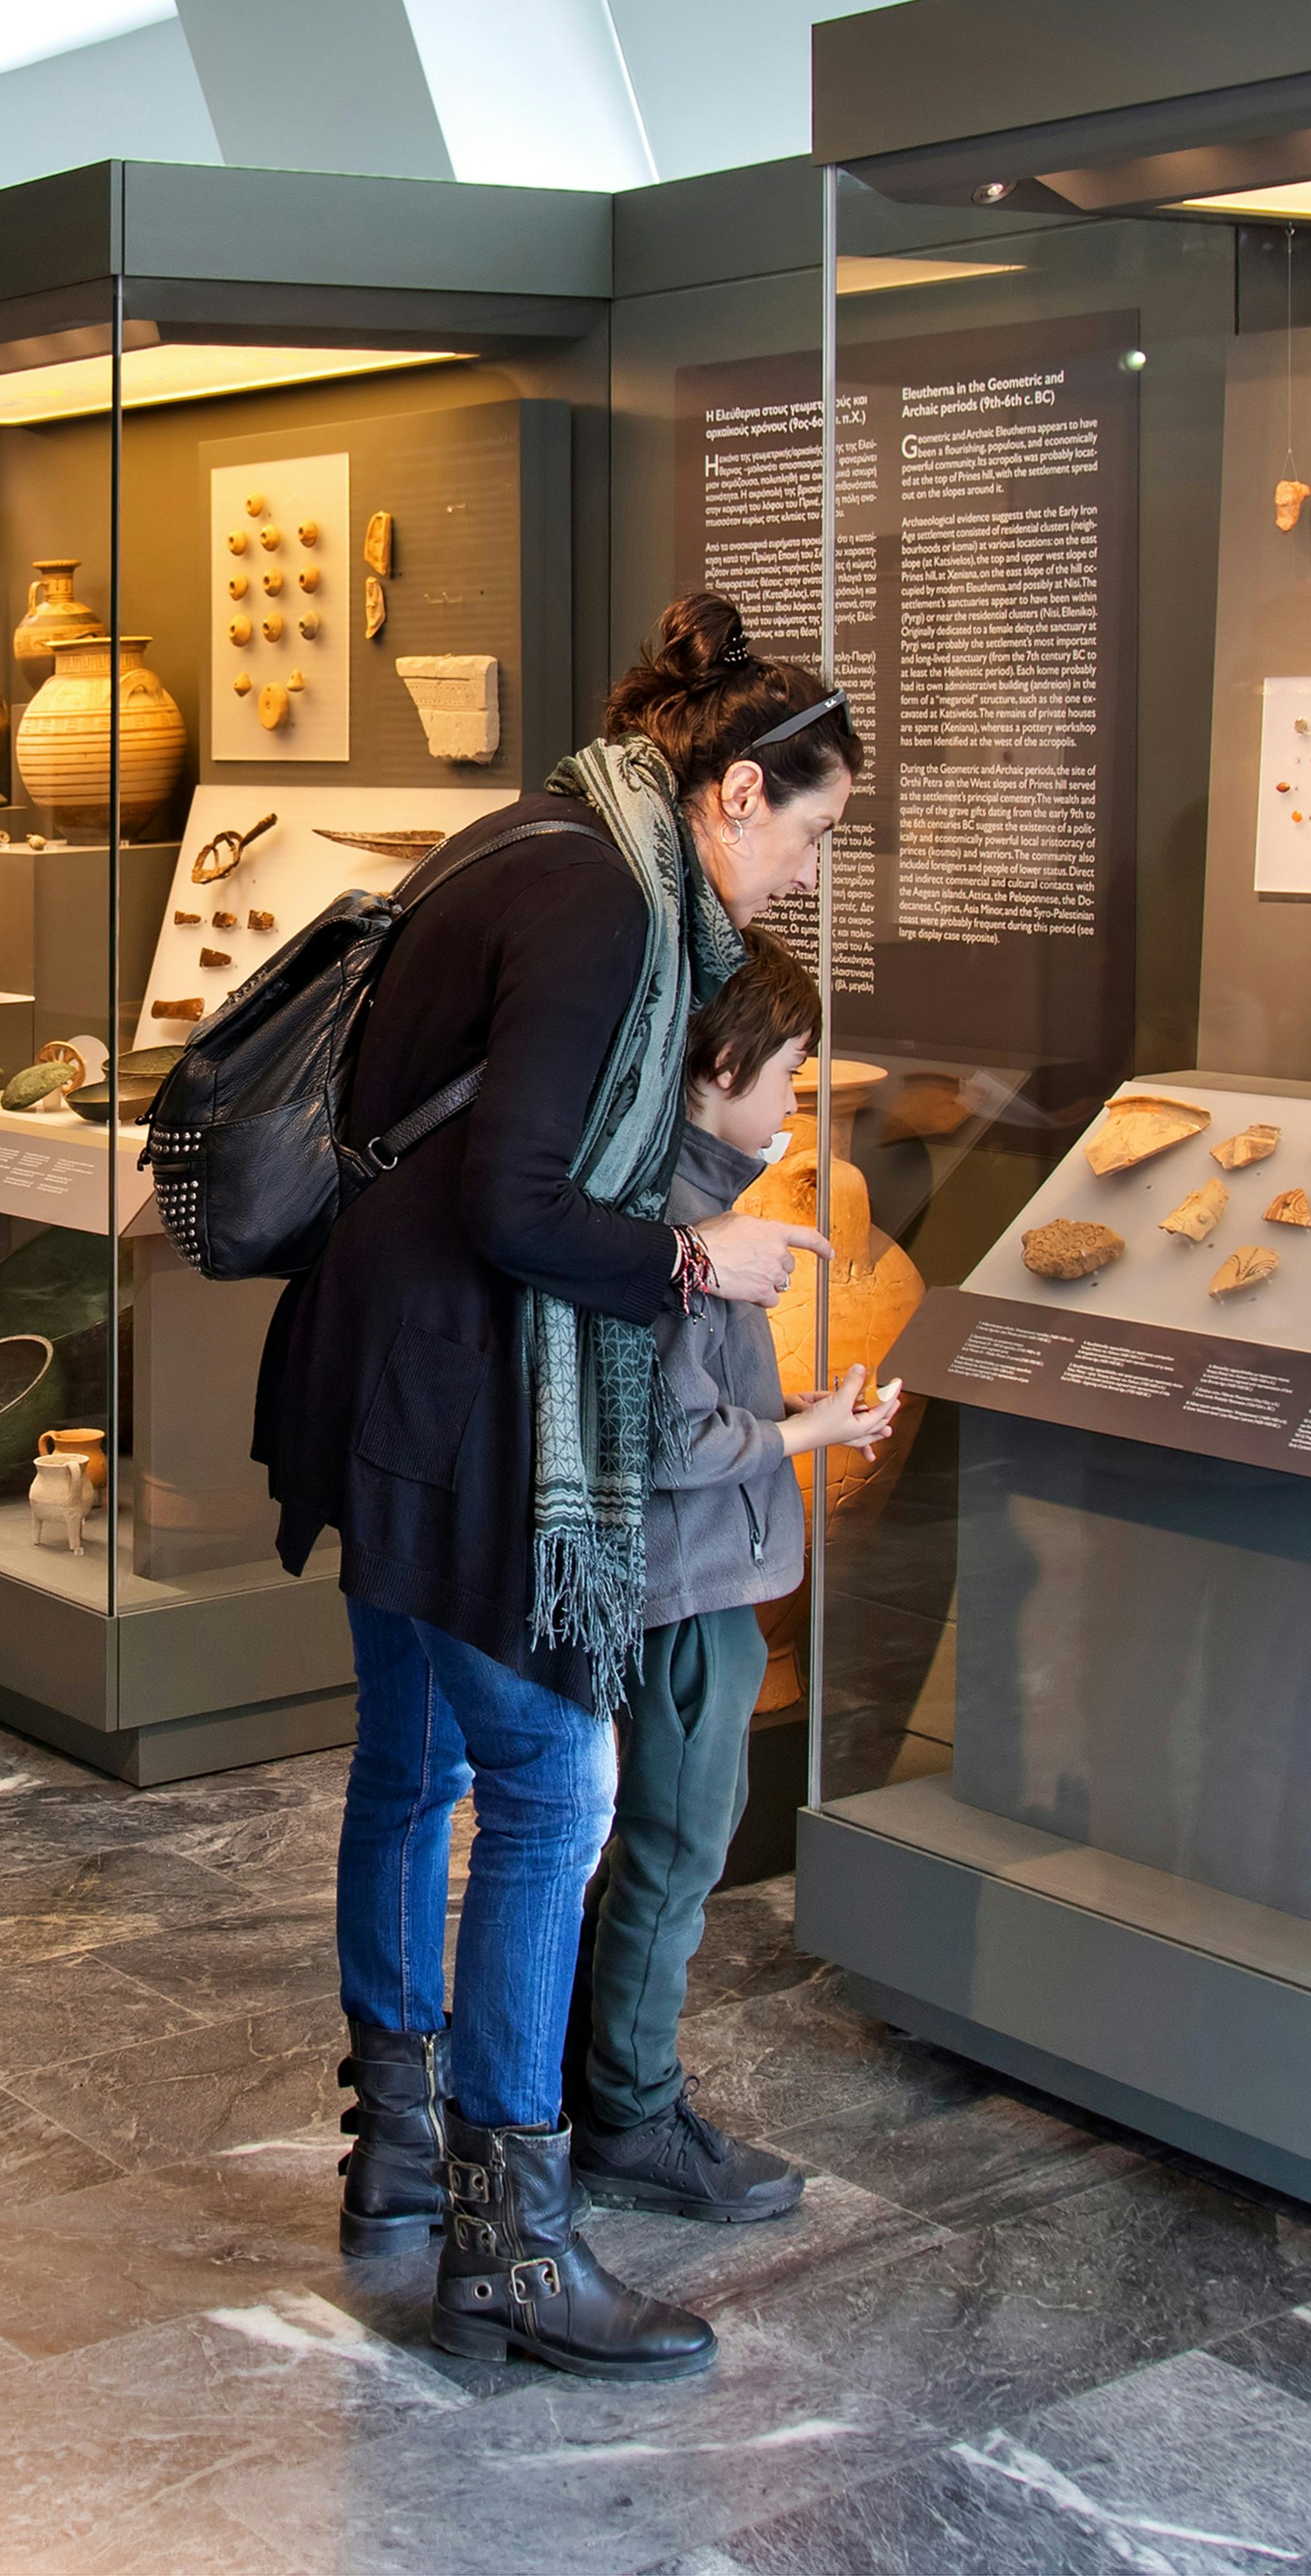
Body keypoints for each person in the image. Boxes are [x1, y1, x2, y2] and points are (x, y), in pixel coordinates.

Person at [256, 590, 862, 2385]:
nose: (804, 877)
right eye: (812, 829)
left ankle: (398, 2158)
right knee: (552, 1785)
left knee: (413, 1759)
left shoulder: (535, 831)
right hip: (458, 1396)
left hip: (373, 1367)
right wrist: (700, 1265)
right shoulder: (612, 903)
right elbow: (523, 1203)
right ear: (740, 789)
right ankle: (512, 2246)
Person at [562, 929, 900, 2227]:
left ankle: (595, 2081)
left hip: (689, 1576)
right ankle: (635, 2112)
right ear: (725, 1064)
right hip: (692, 1590)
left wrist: (804, 1408)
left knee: (649, 1843)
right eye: (789, 1077)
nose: (795, 1105)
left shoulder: (662, 1193)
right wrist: (805, 1435)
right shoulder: (685, 1224)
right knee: (674, 1848)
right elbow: (674, 1439)